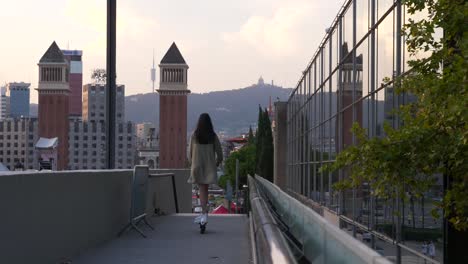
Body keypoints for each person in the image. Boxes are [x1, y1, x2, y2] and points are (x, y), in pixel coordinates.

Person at [187, 113, 223, 226]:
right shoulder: (213, 136)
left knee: (202, 190)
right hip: (209, 167)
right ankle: (204, 214)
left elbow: (189, 154)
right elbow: (220, 153)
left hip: (197, 166)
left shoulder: (194, 135)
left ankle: (204, 214)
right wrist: (216, 164)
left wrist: (192, 164)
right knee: (205, 190)